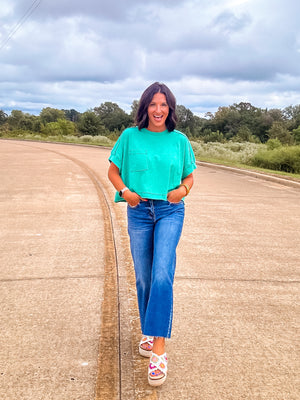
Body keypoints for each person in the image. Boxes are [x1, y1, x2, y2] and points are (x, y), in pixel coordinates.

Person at [108, 82, 196, 386]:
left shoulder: (180, 140)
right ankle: (149, 328)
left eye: (164, 105)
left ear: (170, 108)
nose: (158, 110)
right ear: (144, 107)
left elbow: (190, 176)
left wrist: (182, 190)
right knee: (144, 276)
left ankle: (158, 347)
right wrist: (125, 192)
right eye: (153, 104)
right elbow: (113, 171)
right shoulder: (130, 137)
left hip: (171, 211)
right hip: (140, 211)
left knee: (162, 273)